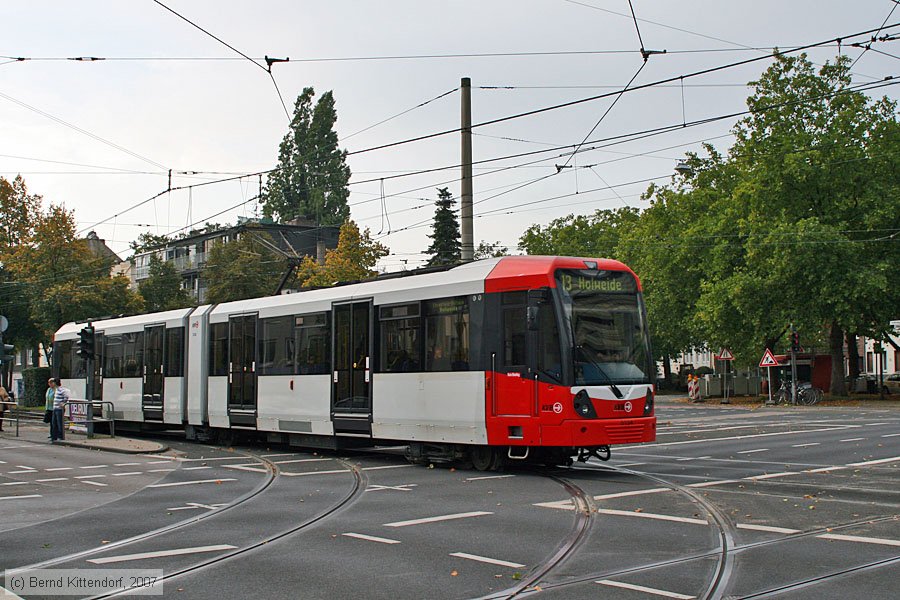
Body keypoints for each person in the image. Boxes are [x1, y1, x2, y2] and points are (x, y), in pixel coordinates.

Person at [49, 377, 70, 442]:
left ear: (55, 383)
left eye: (53, 382)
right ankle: (54, 436)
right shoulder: (56, 390)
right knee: (54, 423)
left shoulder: (62, 390)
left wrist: (64, 403)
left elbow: (66, 396)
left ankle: (60, 436)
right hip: (55, 408)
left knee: (59, 422)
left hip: (59, 409)